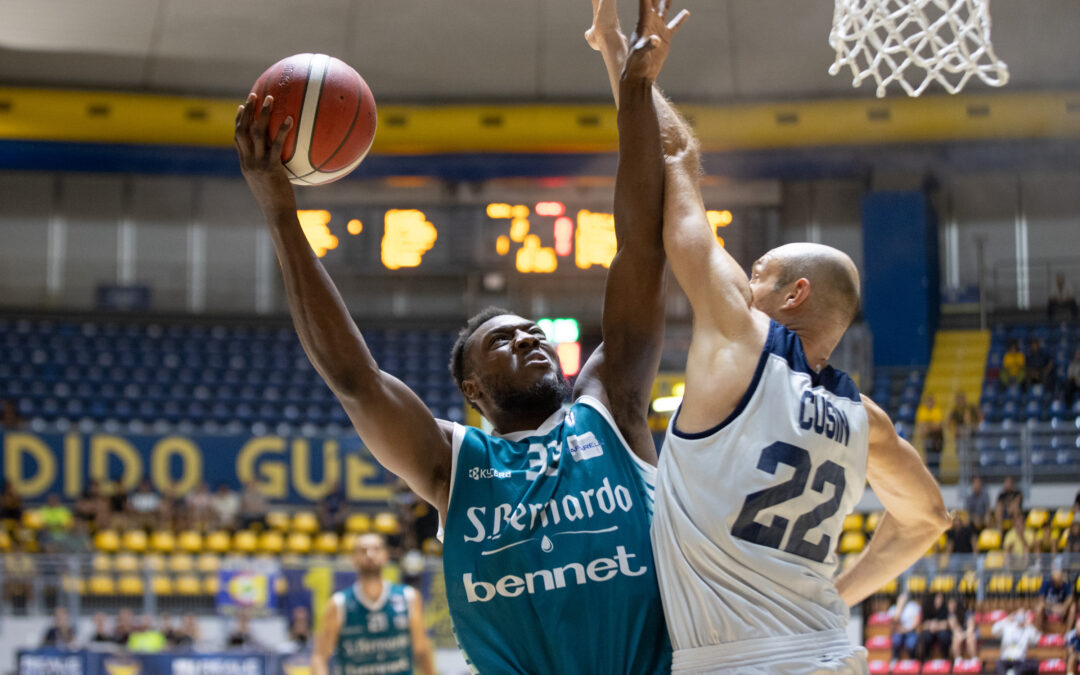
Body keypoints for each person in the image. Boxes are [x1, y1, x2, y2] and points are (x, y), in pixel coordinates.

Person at [234, 2, 675, 668]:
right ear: (472, 388)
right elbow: (356, 379)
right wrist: (279, 210)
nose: (529, 338)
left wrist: (635, 89)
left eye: (532, 331)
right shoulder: (455, 463)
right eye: (503, 340)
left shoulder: (612, 406)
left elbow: (641, 248)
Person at [585, 0, 948, 670]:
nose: (742, 284)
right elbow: (927, 519)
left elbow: (675, 160)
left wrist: (621, 57)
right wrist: (840, 596)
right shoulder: (863, 420)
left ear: (793, 295)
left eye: (757, 273)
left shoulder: (741, 336)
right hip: (828, 652)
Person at [312, 534, 434, 675]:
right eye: (363, 550)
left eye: (376, 549)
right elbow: (319, 657)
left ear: (386, 555)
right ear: (353, 558)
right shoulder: (338, 604)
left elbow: (421, 650)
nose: (370, 555)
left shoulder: (408, 597)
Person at [992, 609, 1040, 675]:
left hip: (1020, 661)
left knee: (1026, 667)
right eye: (1019, 614)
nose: (1020, 617)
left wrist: (1030, 625)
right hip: (1006, 659)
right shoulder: (1008, 626)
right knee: (999, 664)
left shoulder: (1027, 629)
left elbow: (1036, 639)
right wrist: (1007, 619)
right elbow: (994, 631)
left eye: (1022, 615)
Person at [1038, 565, 1076, 631]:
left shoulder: (1065, 582)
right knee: (1039, 607)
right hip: (1049, 607)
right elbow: (1041, 599)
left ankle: (1068, 632)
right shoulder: (1046, 582)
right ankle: (1038, 632)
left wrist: (1064, 607)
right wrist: (1051, 608)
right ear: (1053, 582)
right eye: (1058, 583)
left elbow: (1070, 598)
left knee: (1073, 607)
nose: (1061, 584)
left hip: (1062, 607)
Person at [916, 394, 946, 474]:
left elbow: (939, 425)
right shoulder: (922, 410)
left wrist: (928, 427)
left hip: (936, 440)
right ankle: (931, 478)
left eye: (930, 401)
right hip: (927, 439)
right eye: (928, 401)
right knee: (929, 460)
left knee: (937, 460)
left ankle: (937, 478)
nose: (929, 403)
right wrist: (932, 426)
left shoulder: (937, 410)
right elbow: (921, 425)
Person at [918, 592, 952, 661]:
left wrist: (936, 625)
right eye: (938, 598)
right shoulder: (927, 608)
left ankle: (945, 657)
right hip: (930, 632)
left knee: (944, 635)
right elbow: (923, 624)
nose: (940, 600)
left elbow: (947, 624)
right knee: (925, 636)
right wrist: (931, 625)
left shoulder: (945, 609)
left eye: (941, 598)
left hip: (941, 632)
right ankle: (926, 658)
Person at [889, 594, 921, 663]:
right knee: (896, 640)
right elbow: (894, 623)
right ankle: (895, 659)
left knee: (911, 643)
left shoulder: (913, 606)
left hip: (910, 631)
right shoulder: (894, 608)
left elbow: (916, 623)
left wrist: (906, 630)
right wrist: (900, 607)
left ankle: (912, 660)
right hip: (899, 631)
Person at [948, 597, 978, 664]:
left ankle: (974, 659)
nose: (950, 606)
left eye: (952, 604)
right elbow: (955, 629)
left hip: (970, 633)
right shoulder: (952, 615)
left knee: (970, 638)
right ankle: (958, 660)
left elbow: (971, 628)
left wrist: (964, 635)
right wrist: (960, 635)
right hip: (960, 634)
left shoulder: (968, 613)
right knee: (955, 639)